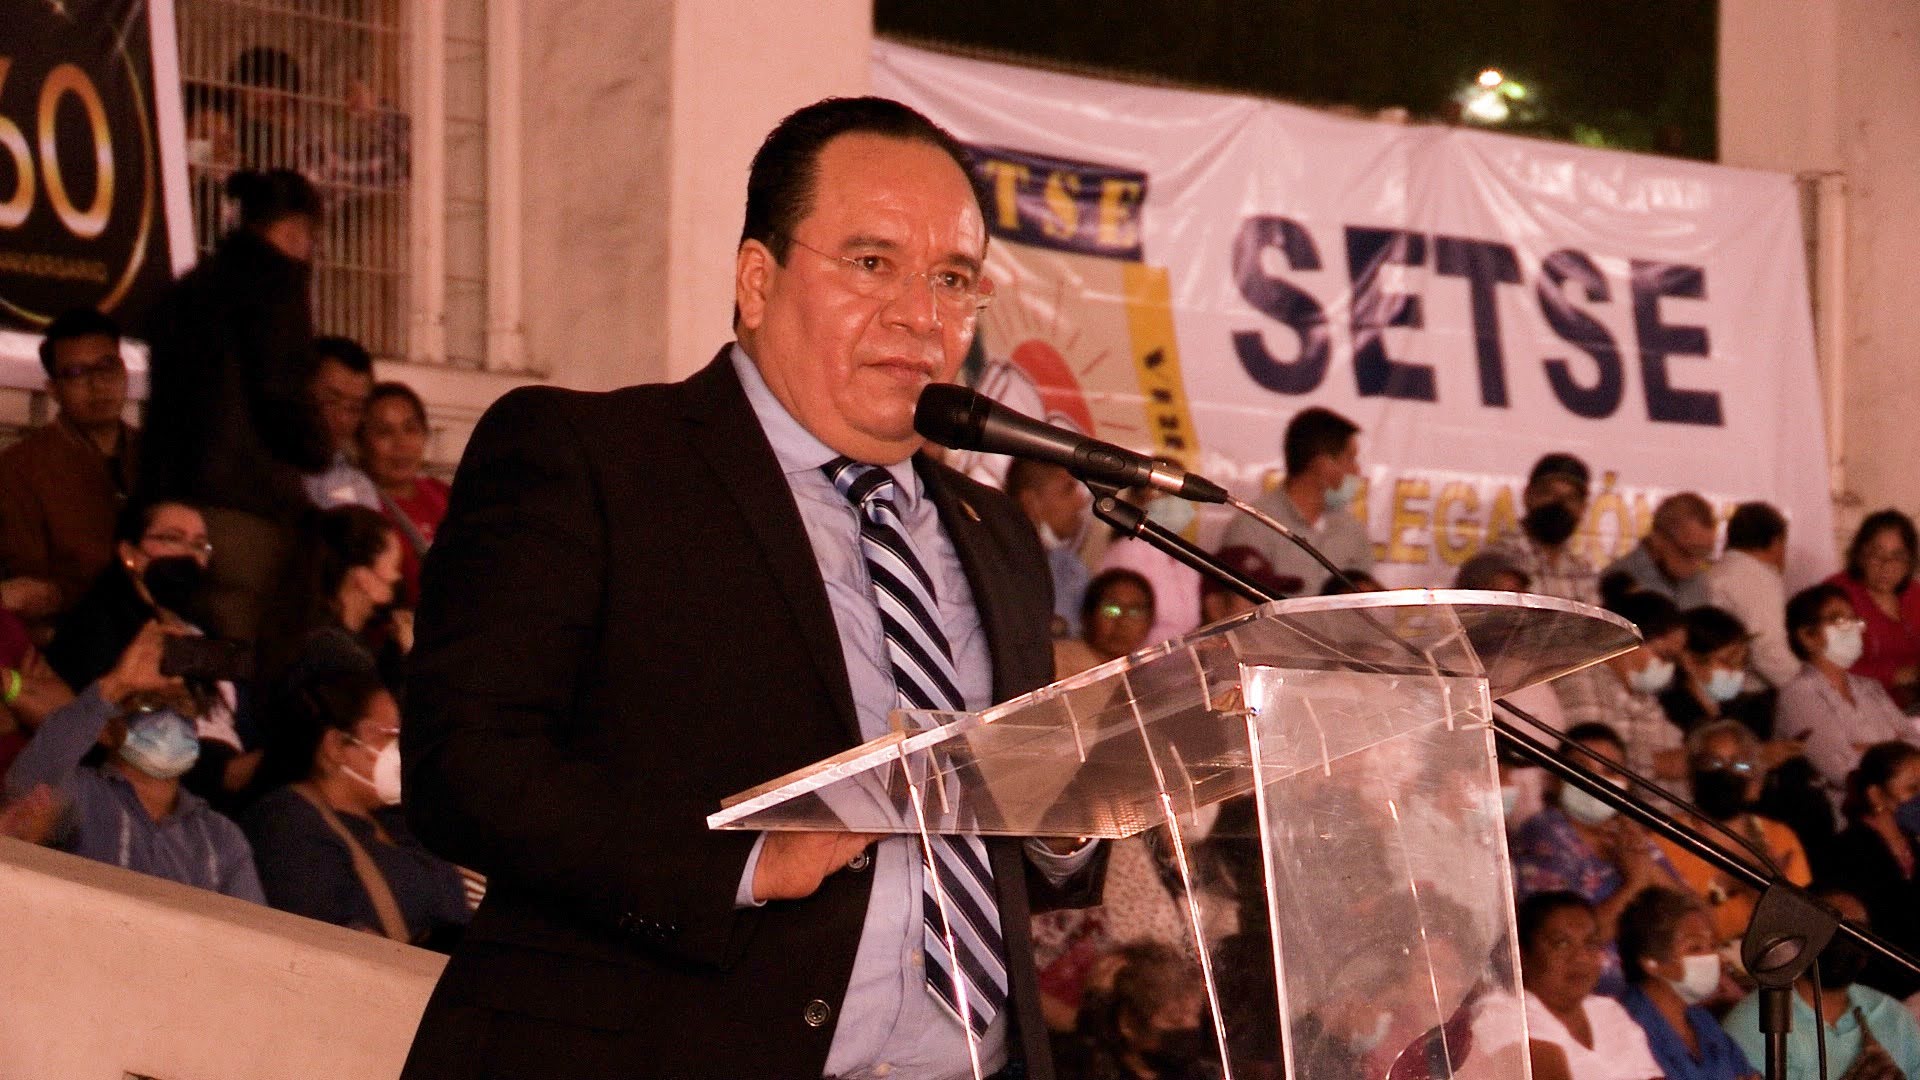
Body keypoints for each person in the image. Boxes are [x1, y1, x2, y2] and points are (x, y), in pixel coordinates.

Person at [397, 97, 1103, 1080]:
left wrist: (1066, 818)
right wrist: (744, 863)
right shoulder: (593, 460)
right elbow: (464, 766)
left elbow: (1000, 867)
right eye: (873, 263)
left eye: (952, 279)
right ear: (757, 281)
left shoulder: (999, 538)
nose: (922, 315)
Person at [140, 167, 331, 645]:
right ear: (295, 229)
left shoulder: (187, 291)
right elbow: (281, 395)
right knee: (242, 648)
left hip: (171, 509)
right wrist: (318, 445)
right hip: (247, 507)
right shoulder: (275, 287)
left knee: (185, 642)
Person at [2, 622, 264, 902]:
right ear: (110, 726)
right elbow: (25, 790)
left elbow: (252, 927)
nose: (169, 719)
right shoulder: (82, 797)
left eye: (181, 705)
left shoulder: (221, 840)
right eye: (150, 704)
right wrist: (116, 684)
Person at [242, 667, 468, 949]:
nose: (400, 749)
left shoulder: (398, 823)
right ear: (335, 746)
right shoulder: (290, 824)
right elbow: (325, 937)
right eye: (389, 736)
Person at [45, 500, 249, 804]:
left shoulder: (207, 630)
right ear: (130, 554)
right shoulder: (97, 626)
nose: (188, 554)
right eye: (172, 539)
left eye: (199, 545)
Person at [1510, 722, 1690, 996]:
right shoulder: (1544, 835)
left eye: (1610, 771)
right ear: (1556, 780)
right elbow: (1568, 944)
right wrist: (1635, 884)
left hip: (1646, 994)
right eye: (1582, 769)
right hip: (1582, 995)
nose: (1596, 781)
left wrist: (1647, 867)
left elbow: (1694, 919)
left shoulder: (1627, 834)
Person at [0, 308, 139, 624]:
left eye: (107, 367)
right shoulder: (20, 467)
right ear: (53, 390)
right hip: (72, 632)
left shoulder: (157, 455)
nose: (98, 384)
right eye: (76, 373)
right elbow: (31, 590)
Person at [1723, 889, 1920, 1080]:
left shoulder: (1894, 1017)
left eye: (1857, 931)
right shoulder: (1753, 1024)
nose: (1845, 942)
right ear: (1800, 936)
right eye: (1833, 929)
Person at [1652, 720, 1811, 952]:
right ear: (1693, 776)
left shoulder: (1780, 838)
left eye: (1740, 765)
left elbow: (1798, 932)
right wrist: (1737, 884)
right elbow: (1673, 933)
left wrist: (1769, 895)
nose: (1724, 774)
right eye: (1712, 762)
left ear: (1756, 784)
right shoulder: (1666, 838)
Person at [1472, 891, 1664, 1080]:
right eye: (1561, 944)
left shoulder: (1608, 1011)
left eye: (1591, 944)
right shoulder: (1503, 1013)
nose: (1581, 957)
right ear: (1521, 954)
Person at [1775, 584, 1918, 813]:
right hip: (1848, 814)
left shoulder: (1868, 688)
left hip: (1905, 800)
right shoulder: (1798, 695)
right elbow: (1843, 770)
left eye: (1854, 619)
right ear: (1807, 636)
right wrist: (1894, 744)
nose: (1852, 628)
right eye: (1839, 620)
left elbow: (1914, 742)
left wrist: (1865, 748)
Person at [255, 505, 406, 700]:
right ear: (362, 577)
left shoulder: (314, 632)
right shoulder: (335, 654)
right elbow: (387, 714)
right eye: (394, 567)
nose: (397, 577)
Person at [1218, 406, 1372, 597]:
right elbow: (1239, 607)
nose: (1357, 470)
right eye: (1349, 459)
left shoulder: (1352, 530)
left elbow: (1365, 602)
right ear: (1322, 464)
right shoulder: (1253, 526)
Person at [1616, 887, 1757, 1080]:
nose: (1715, 958)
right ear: (1652, 963)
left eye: (1712, 946)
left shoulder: (1699, 1019)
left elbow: (1748, 1074)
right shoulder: (1626, 1027)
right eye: (1695, 948)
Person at [1558, 590, 1690, 786]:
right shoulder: (1584, 679)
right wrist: (1657, 764)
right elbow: (1589, 756)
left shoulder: (1643, 695)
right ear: (1627, 640)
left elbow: (1676, 747)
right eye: (1664, 656)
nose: (1668, 668)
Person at [1823, 742, 1920, 999]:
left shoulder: (1913, 846)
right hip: (1881, 990)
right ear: (1876, 795)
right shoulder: (1848, 851)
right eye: (1912, 789)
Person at [1053, 940, 1219, 1080]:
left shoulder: (1203, 1073)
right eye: (1175, 1019)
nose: (1191, 1026)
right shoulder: (1077, 1068)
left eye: (1195, 1015)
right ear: (1129, 1024)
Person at [359, 382, 450, 607]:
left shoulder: (444, 495)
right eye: (384, 432)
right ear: (360, 442)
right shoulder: (359, 508)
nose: (401, 444)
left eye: (410, 429)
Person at [1826, 510, 1920, 710]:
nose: (1886, 566)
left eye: (1898, 556)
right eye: (1877, 554)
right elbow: (1828, 664)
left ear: (1909, 561)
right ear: (1860, 555)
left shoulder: (1914, 593)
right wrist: (1895, 675)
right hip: (1861, 708)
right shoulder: (1838, 596)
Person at [1483, 452, 1602, 607]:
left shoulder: (1582, 572)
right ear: (1528, 495)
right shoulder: (1495, 561)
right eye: (1549, 493)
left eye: (1571, 498)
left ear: (1583, 507)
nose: (1558, 504)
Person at [1705, 502, 1798, 691]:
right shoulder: (1753, 577)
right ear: (1776, 542)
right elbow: (1767, 649)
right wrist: (1806, 689)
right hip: (1744, 691)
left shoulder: (1721, 570)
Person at [1006, 460, 1091, 638]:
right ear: (1031, 502)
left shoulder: (1071, 569)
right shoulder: (997, 562)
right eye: (1068, 490)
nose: (1081, 501)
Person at [1658, 606, 1770, 737]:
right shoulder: (1668, 715)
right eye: (1728, 662)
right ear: (1689, 661)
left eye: (1743, 662)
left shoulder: (1750, 710)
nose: (1738, 671)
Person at [302, 336, 381, 511]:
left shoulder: (353, 484)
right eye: (330, 401)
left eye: (355, 408)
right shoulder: (262, 466)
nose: (342, 418)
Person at [1605, 493, 1718, 611]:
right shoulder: (1617, 581)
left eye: (1705, 553)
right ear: (1658, 539)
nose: (1697, 563)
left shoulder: (1699, 582)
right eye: (1689, 552)